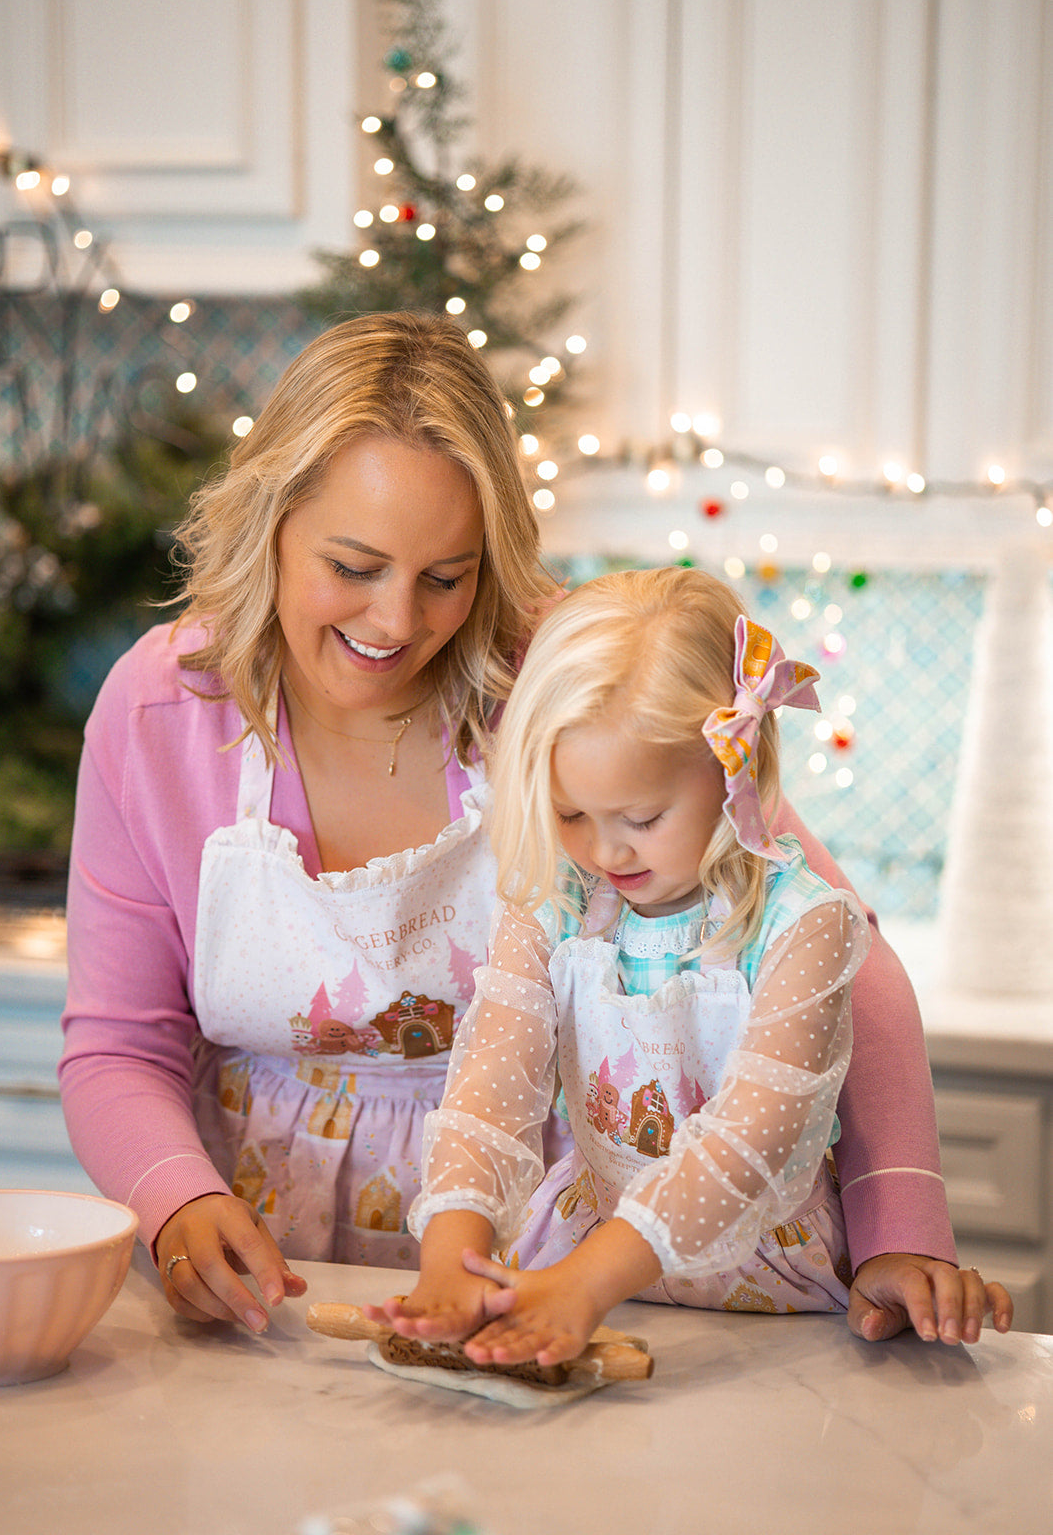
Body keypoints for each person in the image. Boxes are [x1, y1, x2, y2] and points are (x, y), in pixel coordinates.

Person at [58, 312, 1007, 1344]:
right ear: (271, 520)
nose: (395, 624)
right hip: (263, 1273)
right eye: (353, 565)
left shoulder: (562, 680)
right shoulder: (162, 711)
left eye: (445, 577)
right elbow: (116, 1041)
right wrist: (176, 1201)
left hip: (551, 1266)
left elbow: (825, 941)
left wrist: (897, 1224)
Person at [370, 568, 1012, 1366]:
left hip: (765, 1301)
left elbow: (751, 1146)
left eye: (641, 818)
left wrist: (587, 1285)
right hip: (573, 1266)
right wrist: (451, 1259)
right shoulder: (553, 905)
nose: (603, 851)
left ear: (733, 773)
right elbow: (489, 1095)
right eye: (570, 814)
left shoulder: (802, 926)